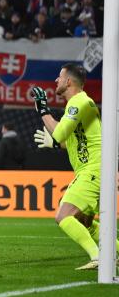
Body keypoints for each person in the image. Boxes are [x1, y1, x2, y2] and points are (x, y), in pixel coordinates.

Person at [32, 64, 118, 270]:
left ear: (69, 81)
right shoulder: (79, 104)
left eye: (59, 77)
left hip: (93, 170)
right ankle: (113, 252)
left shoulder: (78, 102)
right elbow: (68, 140)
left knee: (63, 216)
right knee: (85, 222)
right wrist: (54, 143)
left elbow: (59, 133)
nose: (56, 80)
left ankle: (98, 257)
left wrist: (44, 110)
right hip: (95, 170)